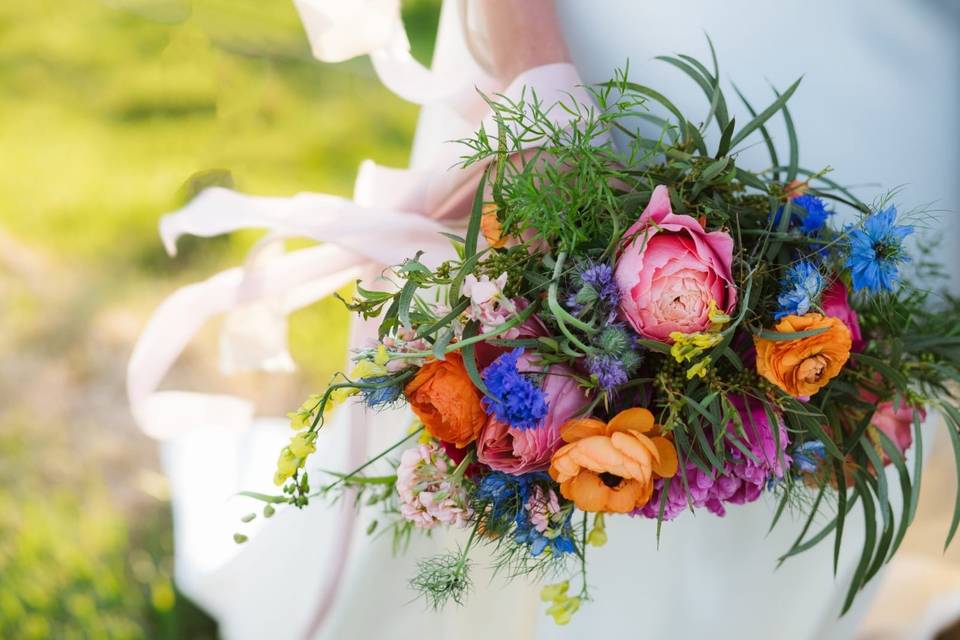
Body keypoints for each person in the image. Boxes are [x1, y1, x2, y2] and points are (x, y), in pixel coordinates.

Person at [129, 1, 959, 638]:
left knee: (771, 530)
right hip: (619, 56)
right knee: (477, 485)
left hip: (901, 110)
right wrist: (537, 85)